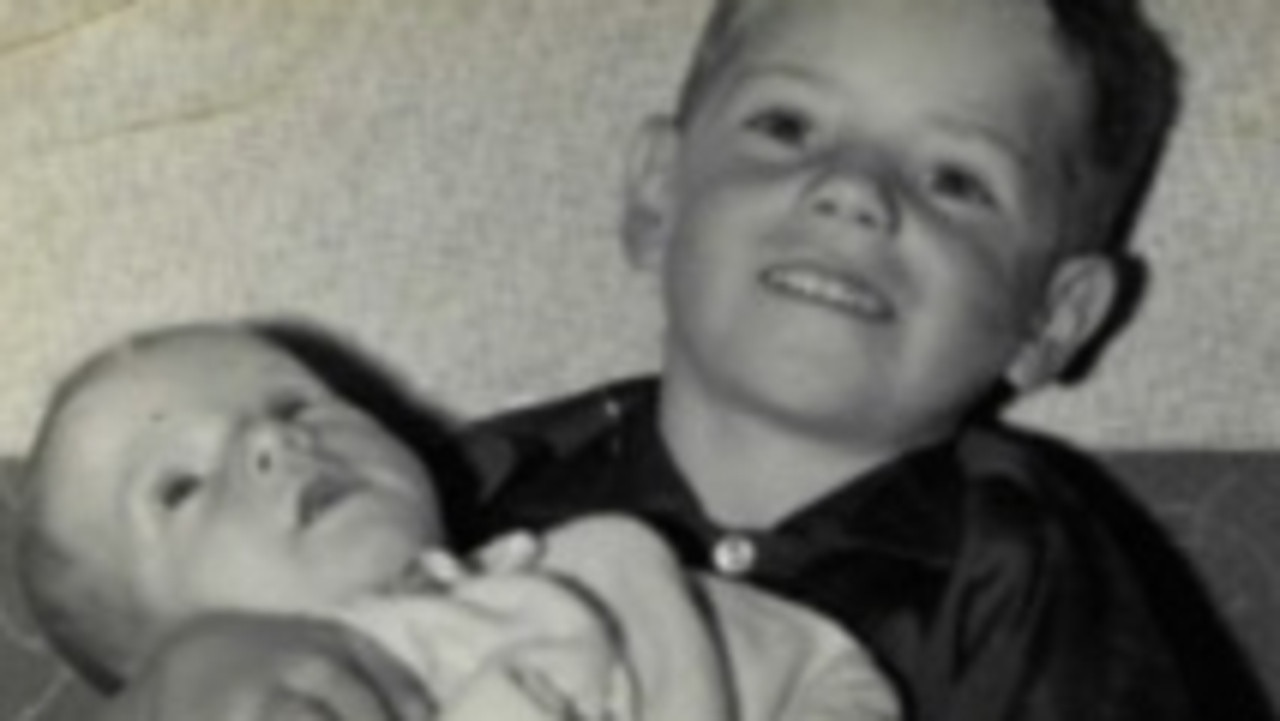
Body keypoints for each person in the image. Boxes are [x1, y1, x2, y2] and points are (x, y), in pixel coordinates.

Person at [83, 0, 1197, 718]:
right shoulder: (469, 489)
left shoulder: (1021, 561)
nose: (853, 192)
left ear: (1054, 317)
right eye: (787, 128)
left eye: (954, 179)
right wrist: (181, 679)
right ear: (657, 193)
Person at [16, 325, 900, 721]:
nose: (273, 444)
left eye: (293, 402)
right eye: (178, 485)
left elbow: (829, 680)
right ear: (156, 668)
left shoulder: (610, 574)